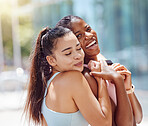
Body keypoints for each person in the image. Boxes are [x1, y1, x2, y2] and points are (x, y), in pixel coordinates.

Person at [24, 26, 132, 126]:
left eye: (78, 48)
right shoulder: (73, 78)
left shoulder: (46, 84)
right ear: (51, 60)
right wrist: (100, 78)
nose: (78, 56)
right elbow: (104, 123)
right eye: (68, 53)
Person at [56, 15, 143, 125]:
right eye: (79, 36)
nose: (89, 35)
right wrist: (117, 80)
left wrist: (128, 89)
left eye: (88, 29)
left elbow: (138, 117)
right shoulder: (89, 75)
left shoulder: (102, 61)